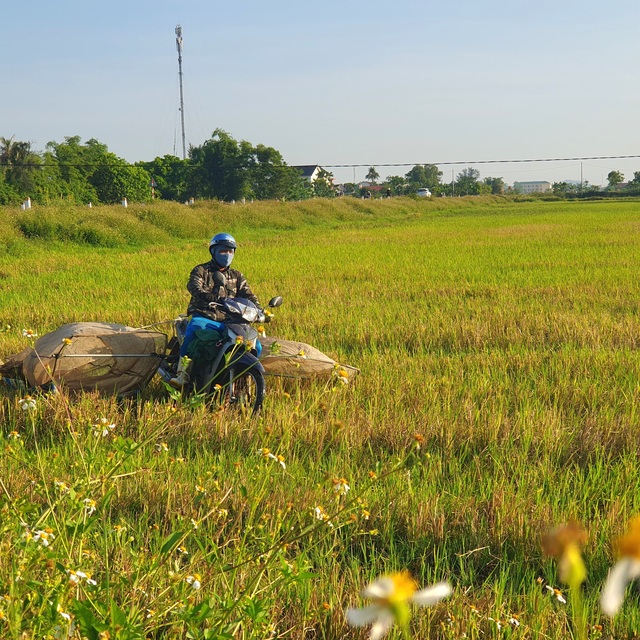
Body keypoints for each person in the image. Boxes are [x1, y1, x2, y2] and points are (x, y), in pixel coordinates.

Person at [169, 232, 263, 388]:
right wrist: (208, 296)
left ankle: (244, 375)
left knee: (256, 346)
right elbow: (194, 287)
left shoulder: (237, 276)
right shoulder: (201, 270)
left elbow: (249, 296)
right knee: (194, 330)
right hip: (206, 317)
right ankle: (182, 374)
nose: (227, 254)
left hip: (230, 321)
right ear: (213, 251)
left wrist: (260, 311)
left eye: (230, 251)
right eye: (223, 250)